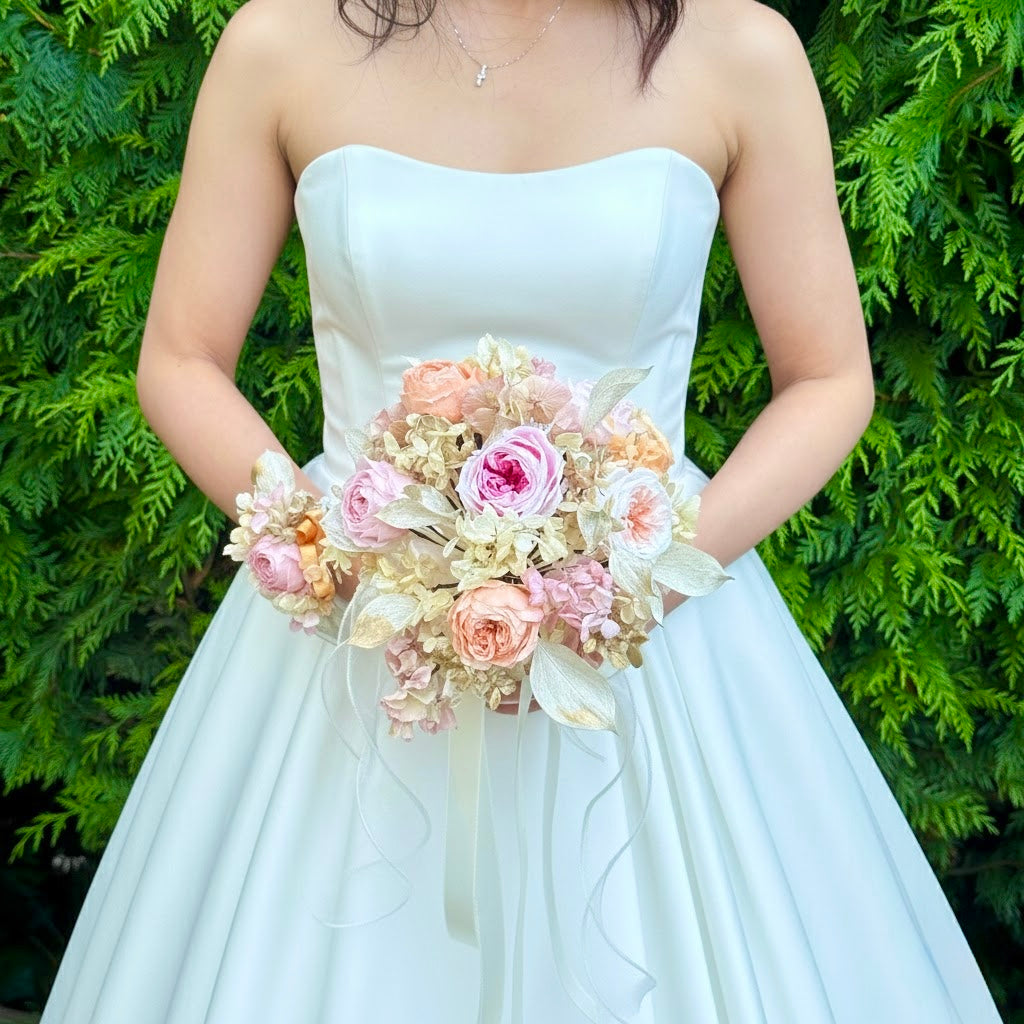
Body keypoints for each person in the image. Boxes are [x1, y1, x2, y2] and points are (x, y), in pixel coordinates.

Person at [39, 0, 1006, 1020]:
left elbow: (829, 379)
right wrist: (341, 563)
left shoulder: (738, 49)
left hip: (646, 629)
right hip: (357, 627)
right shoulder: (281, 41)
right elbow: (180, 358)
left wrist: (631, 592)